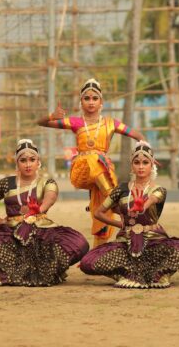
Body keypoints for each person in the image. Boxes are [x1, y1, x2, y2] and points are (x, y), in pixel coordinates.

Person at [37, 78, 145, 248]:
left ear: (101, 101)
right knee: (94, 158)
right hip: (82, 170)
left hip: (104, 171)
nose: (91, 102)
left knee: (102, 214)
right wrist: (52, 116)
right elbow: (41, 122)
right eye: (87, 98)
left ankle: (96, 253)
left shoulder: (110, 123)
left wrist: (142, 150)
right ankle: (115, 199)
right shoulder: (76, 122)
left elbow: (138, 136)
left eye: (95, 98)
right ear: (81, 102)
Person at [0, 139, 89, 287]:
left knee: (79, 243)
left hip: (41, 230)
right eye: (23, 160)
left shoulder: (46, 182)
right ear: (17, 163)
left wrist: (40, 209)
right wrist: (0, 222)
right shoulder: (6, 183)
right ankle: (9, 272)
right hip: (11, 232)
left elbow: (50, 197)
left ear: (38, 162)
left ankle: (47, 271)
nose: (28, 164)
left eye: (32, 160)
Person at [80, 141, 179, 288]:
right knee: (87, 262)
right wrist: (121, 224)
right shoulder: (121, 189)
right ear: (132, 165)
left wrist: (142, 206)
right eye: (137, 162)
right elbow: (98, 212)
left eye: (145, 162)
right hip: (126, 241)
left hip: (154, 241)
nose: (141, 166)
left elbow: (154, 198)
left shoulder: (158, 189)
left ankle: (154, 274)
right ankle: (127, 274)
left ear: (152, 165)